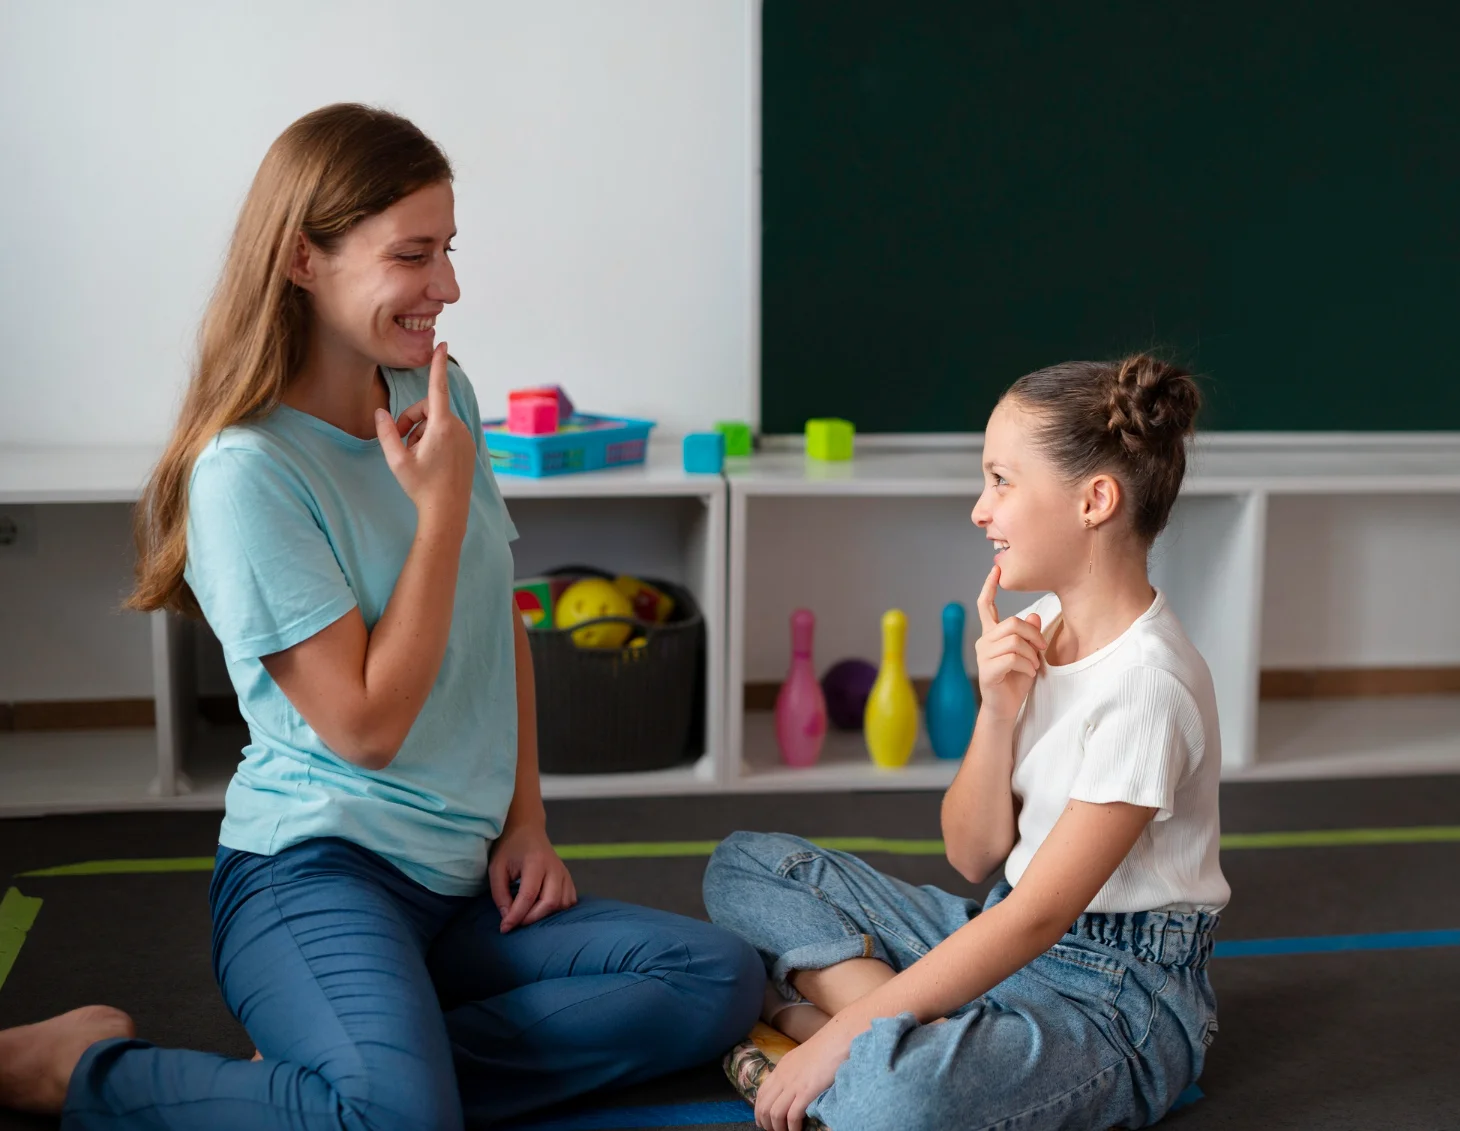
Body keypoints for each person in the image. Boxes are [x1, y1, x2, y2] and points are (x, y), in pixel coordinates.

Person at [0, 102, 762, 1130]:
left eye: (448, 249)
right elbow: (365, 729)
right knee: (397, 1115)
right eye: (413, 254)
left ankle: (350, 1076)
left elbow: (495, 622)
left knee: (714, 976)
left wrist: (526, 821)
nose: (447, 286)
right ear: (302, 259)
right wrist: (438, 512)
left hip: (462, 885)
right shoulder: (246, 472)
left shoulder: (440, 395)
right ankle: (80, 1072)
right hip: (315, 874)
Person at [705, 354, 1231, 1131]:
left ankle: (833, 1029)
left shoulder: (1148, 686)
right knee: (744, 866)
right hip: (1000, 926)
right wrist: (997, 712)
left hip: (1115, 997)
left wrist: (837, 1038)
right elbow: (972, 854)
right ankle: (906, 1033)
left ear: (1094, 500)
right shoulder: (1041, 626)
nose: (981, 510)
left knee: (898, 1102)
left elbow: (1038, 918)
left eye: (1001, 481)